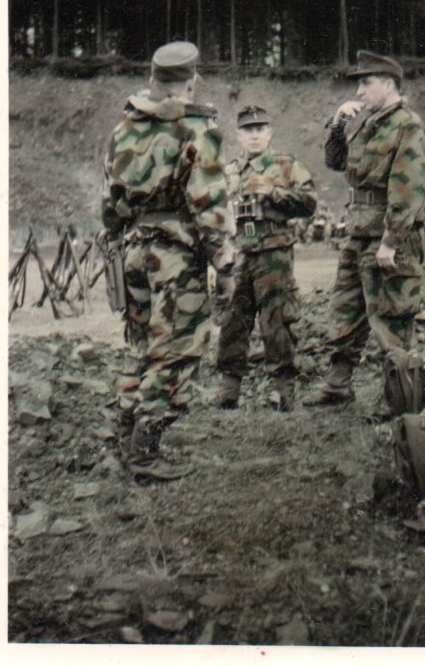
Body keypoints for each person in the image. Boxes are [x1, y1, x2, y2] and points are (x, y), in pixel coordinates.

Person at [101, 40, 234, 480]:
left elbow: (109, 202)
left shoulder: (123, 130)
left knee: (141, 345)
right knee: (177, 347)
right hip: (175, 255)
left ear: (154, 81)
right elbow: (209, 201)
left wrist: (120, 238)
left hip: (133, 251)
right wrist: (224, 262)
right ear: (191, 82)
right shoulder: (197, 129)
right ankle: (145, 451)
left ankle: (124, 435)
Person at [306, 50, 425, 407]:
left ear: (389, 84)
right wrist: (337, 126)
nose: (359, 92)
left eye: (366, 83)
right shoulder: (368, 123)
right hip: (359, 231)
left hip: (388, 236)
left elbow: (408, 189)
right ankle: (338, 385)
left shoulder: (407, 125)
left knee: (391, 316)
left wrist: (391, 241)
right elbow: (335, 162)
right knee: (345, 309)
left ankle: (399, 398)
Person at [216, 105, 317, 411]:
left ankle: (283, 390)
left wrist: (274, 192)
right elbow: (215, 211)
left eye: (260, 129)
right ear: (238, 135)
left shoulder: (286, 165)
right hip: (239, 255)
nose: (254, 135)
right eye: (248, 130)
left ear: (269, 133)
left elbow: (309, 203)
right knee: (233, 320)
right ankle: (229, 389)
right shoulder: (229, 172)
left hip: (274, 253)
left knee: (277, 320)